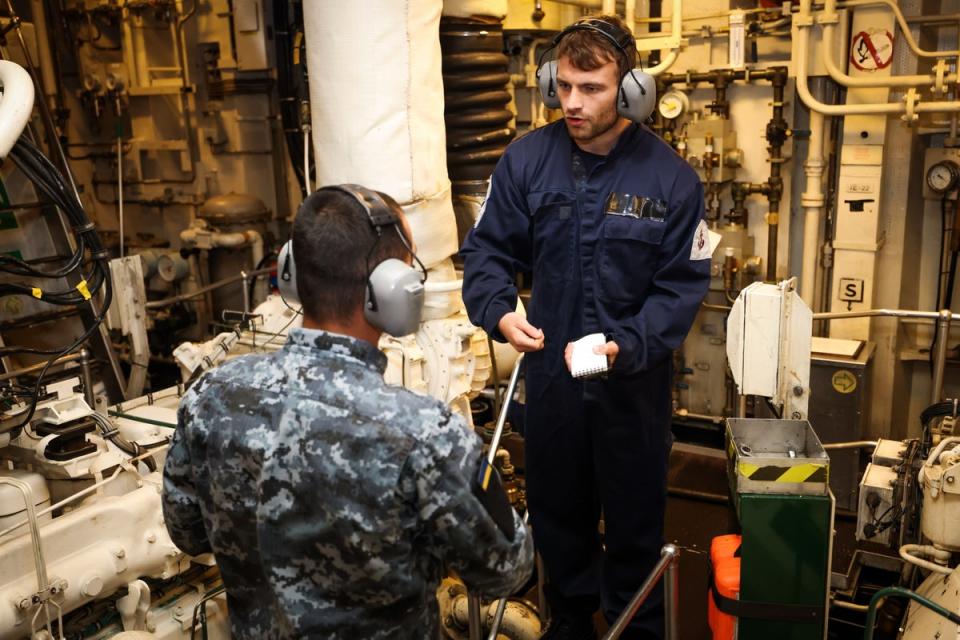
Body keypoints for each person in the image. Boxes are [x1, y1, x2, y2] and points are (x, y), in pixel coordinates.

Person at [162, 185, 534, 639]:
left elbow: (189, 534)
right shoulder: (425, 433)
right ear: (392, 289)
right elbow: (505, 570)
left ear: (292, 273)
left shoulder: (208, 398)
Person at [461, 15, 711, 640]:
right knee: (559, 531)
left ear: (630, 90)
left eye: (592, 88)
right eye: (564, 86)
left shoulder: (671, 180)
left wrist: (623, 345)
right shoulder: (526, 163)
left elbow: (680, 290)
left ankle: (637, 627)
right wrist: (500, 311)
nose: (572, 103)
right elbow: (488, 252)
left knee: (635, 537)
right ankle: (569, 624)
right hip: (551, 391)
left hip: (632, 395)